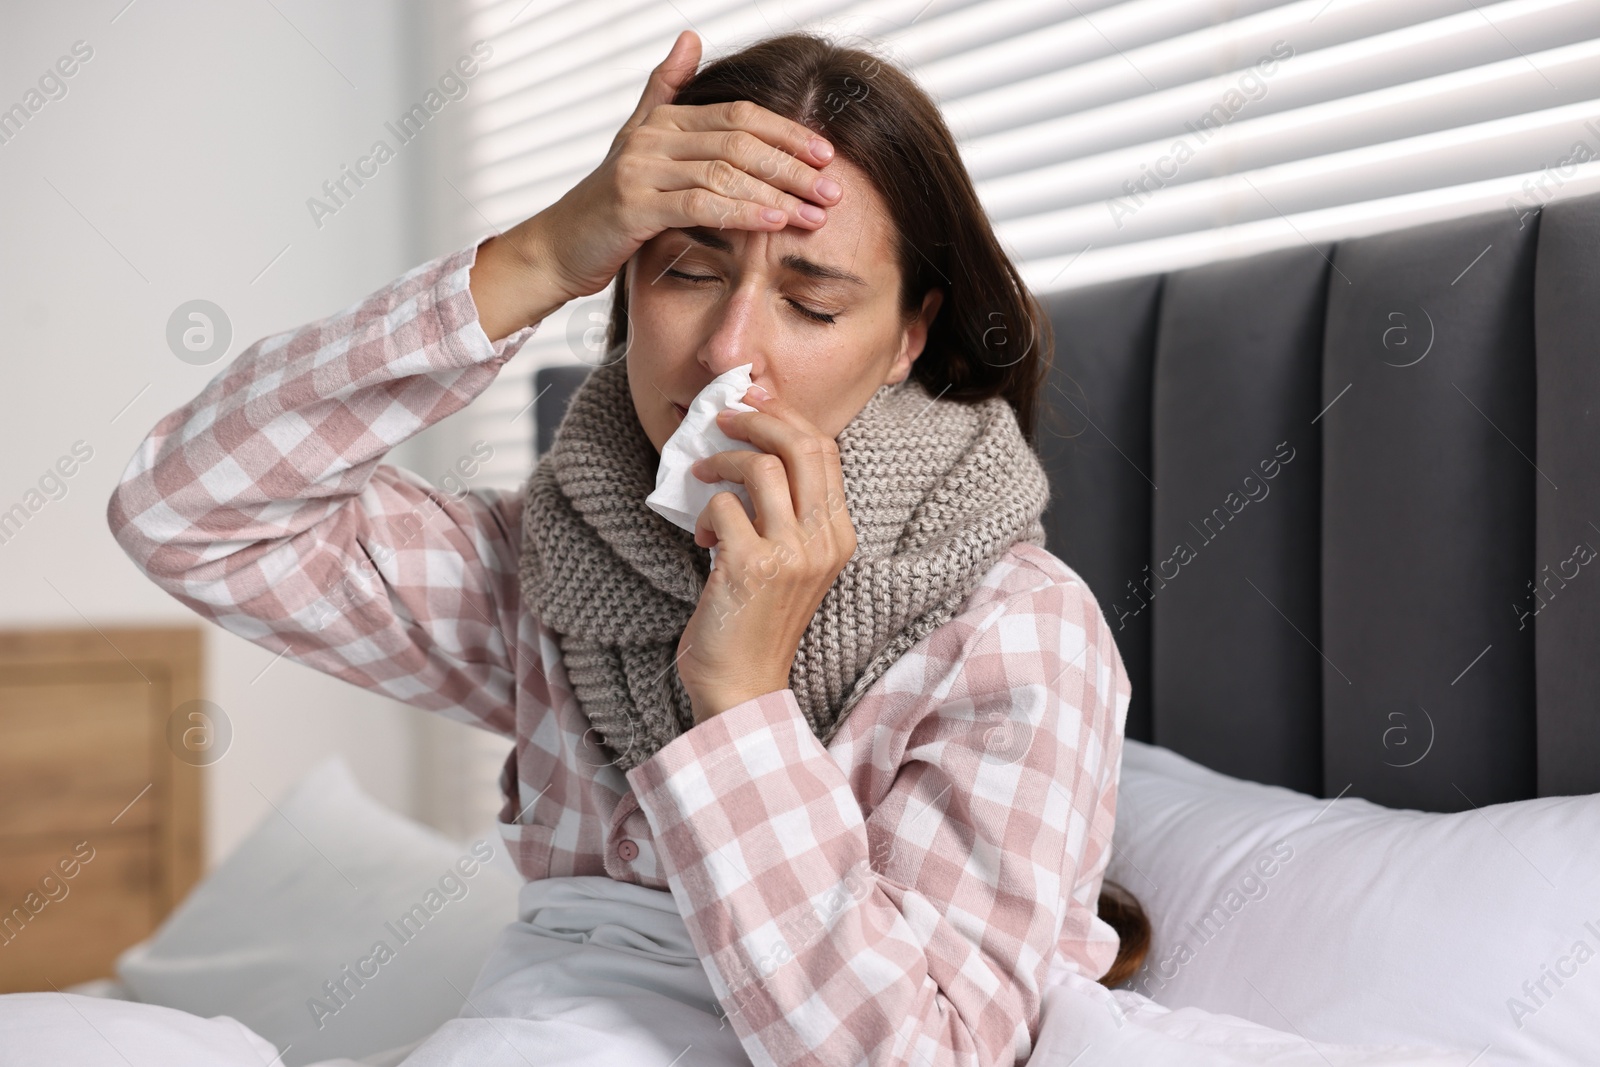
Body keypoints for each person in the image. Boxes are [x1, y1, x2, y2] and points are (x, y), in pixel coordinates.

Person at [108, 27, 1148, 1067]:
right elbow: (184, 509)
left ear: (908, 337)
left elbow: (931, 1051)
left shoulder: (1016, 632)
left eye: (813, 301)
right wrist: (540, 254)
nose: (729, 349)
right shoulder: (560, 567)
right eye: (687, 272)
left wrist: (739, 697)